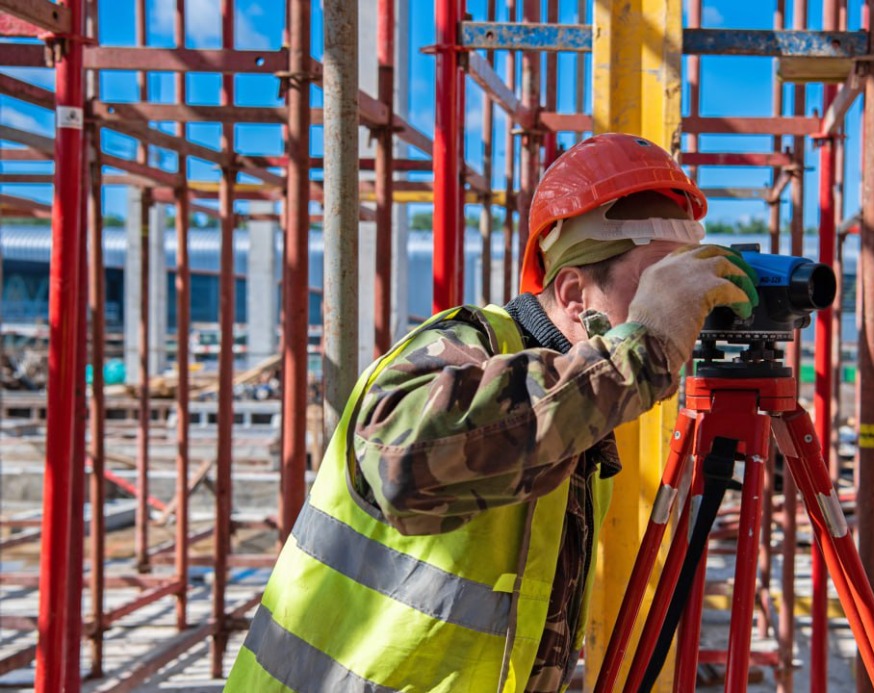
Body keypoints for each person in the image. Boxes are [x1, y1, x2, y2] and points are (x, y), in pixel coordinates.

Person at [225, 133, 759, 692]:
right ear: (574, 293)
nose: (681, 307)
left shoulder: (588, 405)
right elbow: (399, 464)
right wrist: (641, 348)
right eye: (656, 284)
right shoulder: (466, 345)